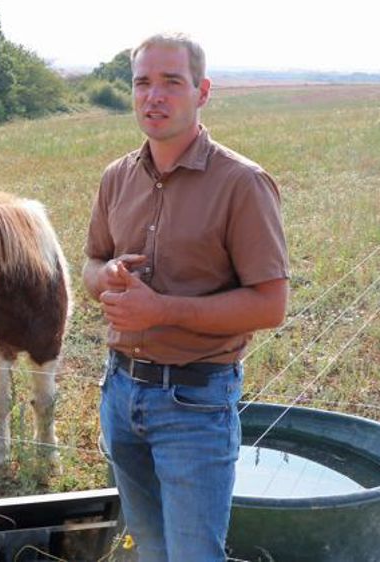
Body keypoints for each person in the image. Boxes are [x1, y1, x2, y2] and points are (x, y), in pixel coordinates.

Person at [82, 33, 289, 562]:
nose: (154, 96)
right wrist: (104, 274)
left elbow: (270, 305)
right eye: (143, 82)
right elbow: (89, 264)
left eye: (171, 82)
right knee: (148, 547)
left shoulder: (242, 184)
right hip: (120, 393)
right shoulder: (116, 178)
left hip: (195, 405)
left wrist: (163, 309)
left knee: (195, 553)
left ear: (202, 91)